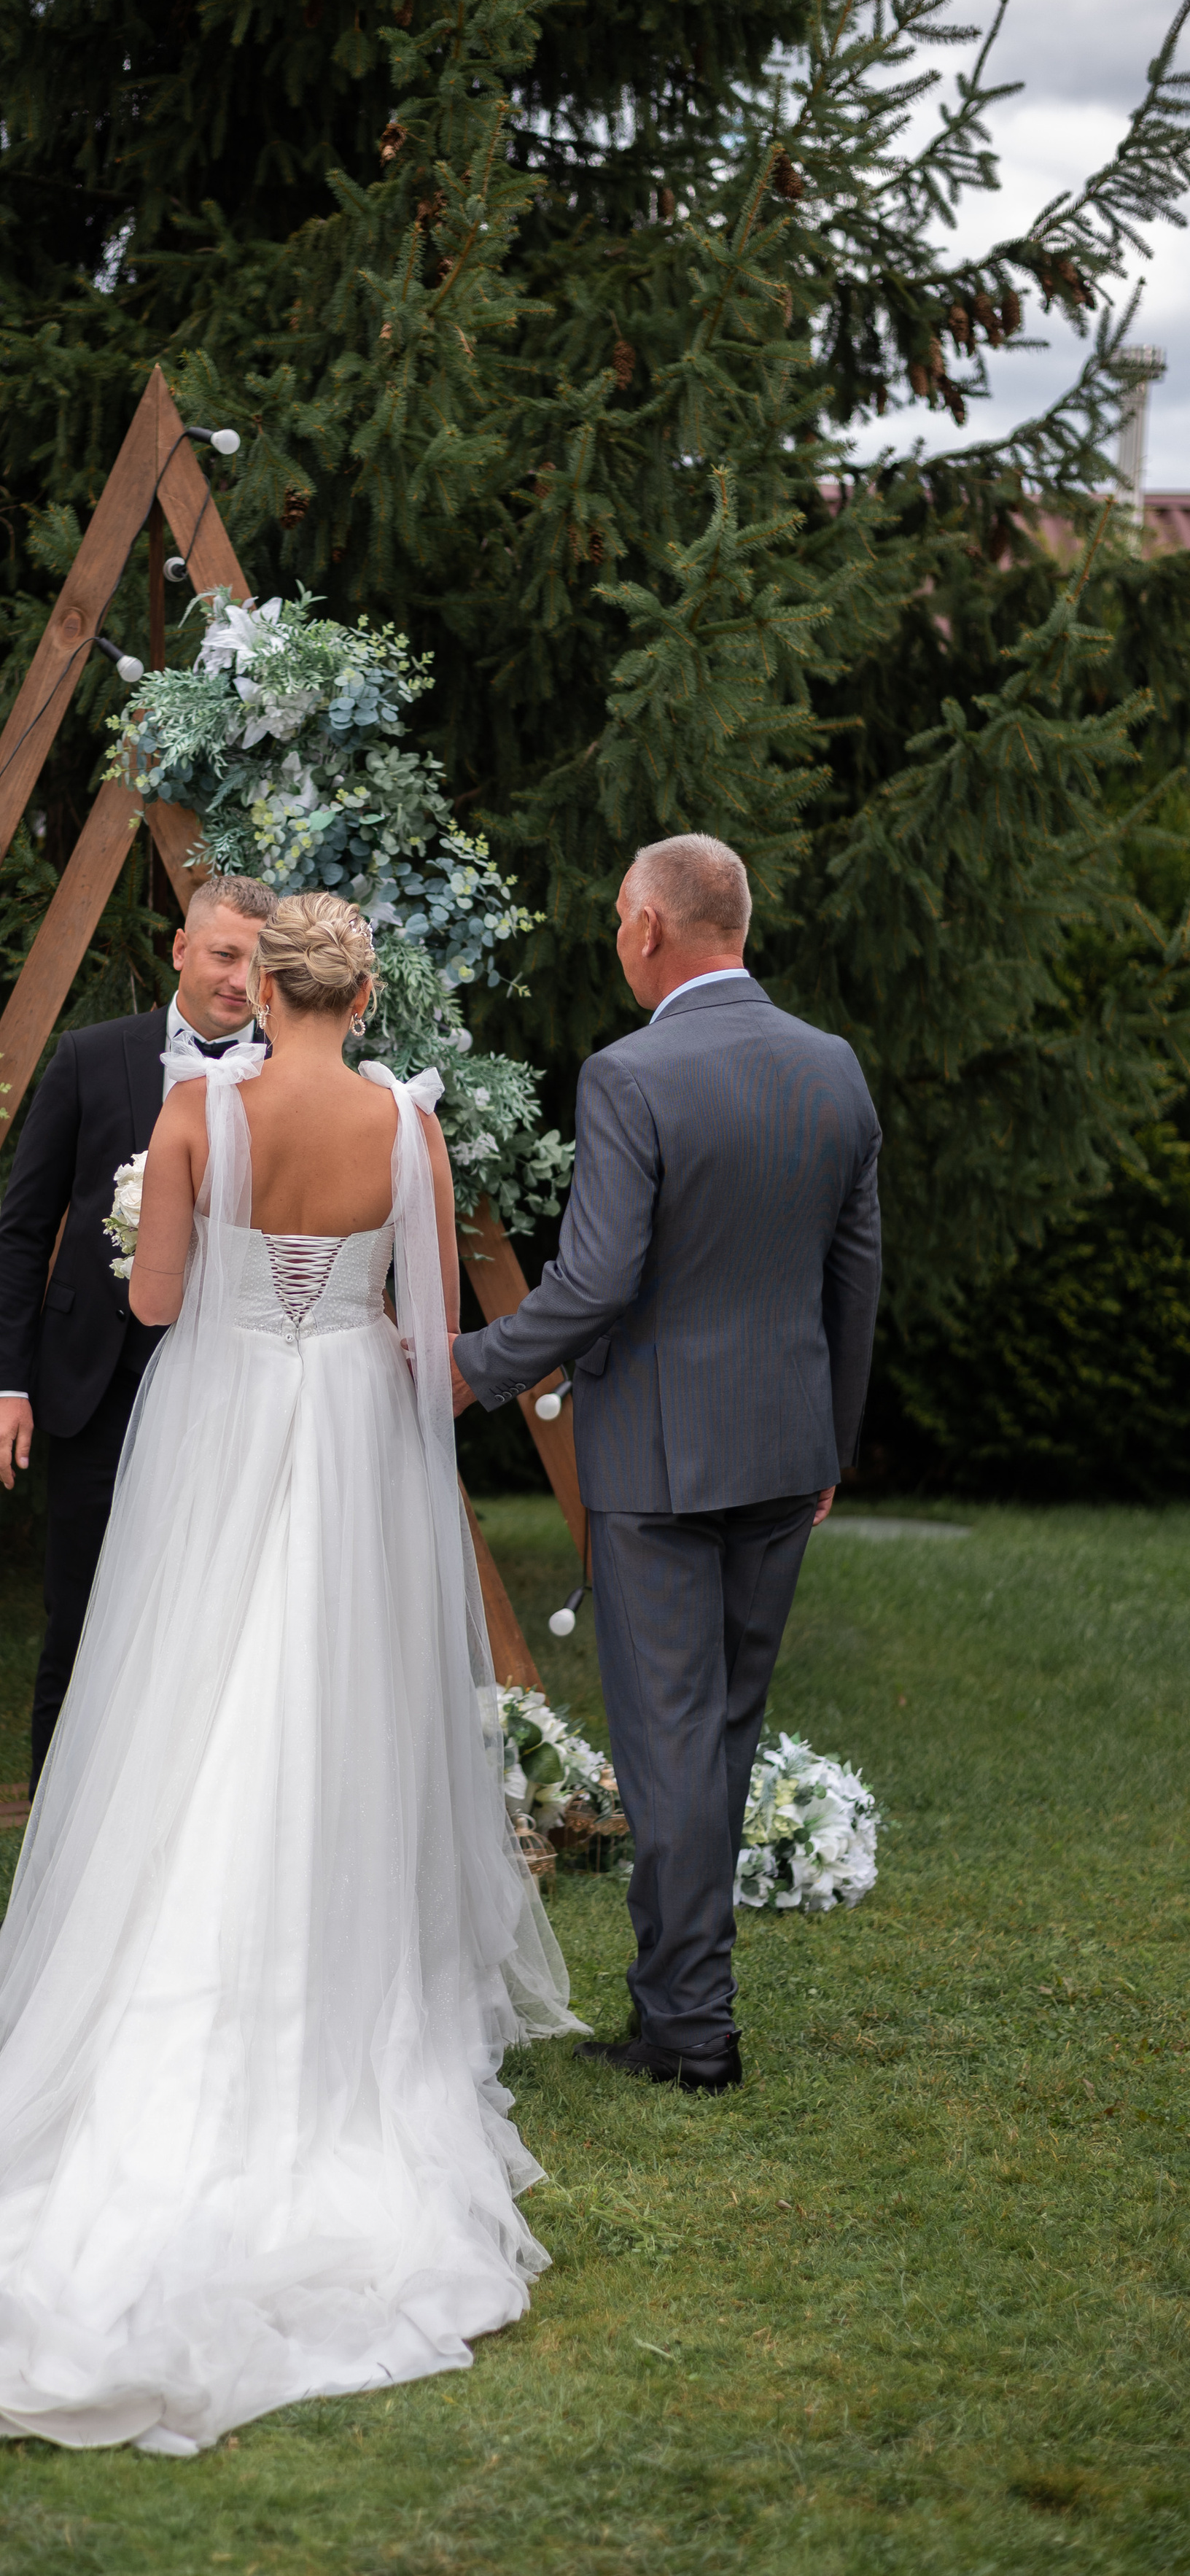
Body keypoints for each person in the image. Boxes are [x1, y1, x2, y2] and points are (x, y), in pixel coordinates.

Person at [0, 893, 583, 2452]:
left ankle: (165, 1963)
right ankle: (334, 1975)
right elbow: (420, 1319)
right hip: (348, 1421)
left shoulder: (199, 1114)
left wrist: (223, 1259)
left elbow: (151, 1302)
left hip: (220, 1410)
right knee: (334, 1680)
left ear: (270, 981)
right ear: (362, 994)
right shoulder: (408, 1126)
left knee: (189, 1675)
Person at [451, 832, 882, 2094]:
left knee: (668, 1742)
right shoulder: (833, 1064)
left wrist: (471, 1365)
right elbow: (855, 1277)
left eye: (616, 921)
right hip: (785, 1451)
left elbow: (595, 1280)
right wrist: (831, 1440)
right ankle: (680, 2002)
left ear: (648, 928)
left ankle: (692, 2027)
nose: (616, 940)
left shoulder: (629, 1073)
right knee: (720, 1732)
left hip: (658, 1463)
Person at [0, 872, 275, 1785]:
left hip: (233, 1387)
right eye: (223, 955)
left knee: (214, 1619)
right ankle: (52, 1839)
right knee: (80, 1617)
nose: (240, 981)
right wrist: (4, 1385)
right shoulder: (90, 1058)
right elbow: (24, 1231)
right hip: (93, 1389)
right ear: (181, 949)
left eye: (260, 964)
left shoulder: (290, 1078)